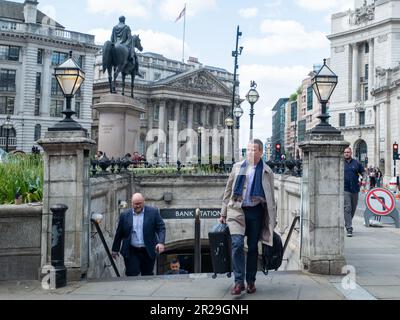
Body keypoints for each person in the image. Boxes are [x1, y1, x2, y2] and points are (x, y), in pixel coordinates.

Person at [219, 139, 276, 295]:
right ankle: (238, 282)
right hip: (236, 210)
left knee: (252, 249)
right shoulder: (239, 167)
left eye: (254, 150)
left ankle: (250, 281)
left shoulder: (267, 171)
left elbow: (271, 197)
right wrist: (223, 212)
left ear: (261, 152)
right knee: (237, 244)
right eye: (248, 149)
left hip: (255, 212)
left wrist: (273, 218)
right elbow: (228, 190)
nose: (250, 152)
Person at [112, 193, 166, 276]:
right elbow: (119, 233)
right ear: (131, 203)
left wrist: (161, 242)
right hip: (132, 250)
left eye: (140, 203)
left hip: (148, 249)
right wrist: (115, 249)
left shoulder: (153, 212)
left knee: (147, 274)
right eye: (136, 204)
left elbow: (161, 228)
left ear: (144, 202)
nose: (138, 206)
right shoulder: (125, 215)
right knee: (132, 273)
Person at [344, 147, 365, 237]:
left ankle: (347, 222)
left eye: (348, 152)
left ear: (351, 153)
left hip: (355, 189)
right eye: (345, 152)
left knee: (353, 208)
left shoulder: (356, 163)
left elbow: (363, 172)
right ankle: (349, 228)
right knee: (347, 208)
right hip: (345, 189)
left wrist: (364, 179)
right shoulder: (340, 163)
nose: (346, 154)